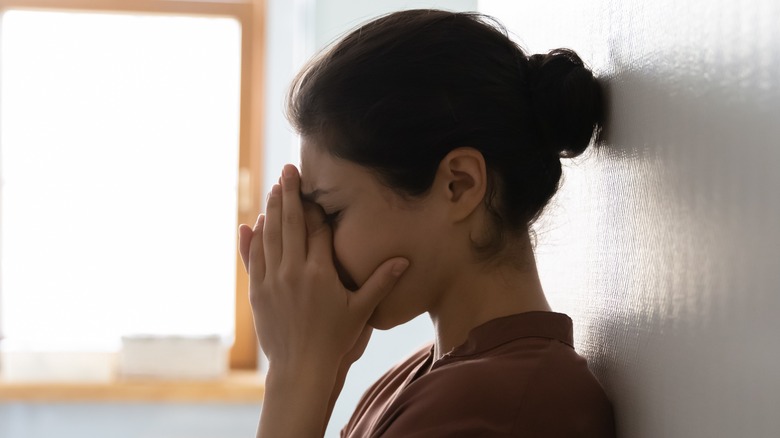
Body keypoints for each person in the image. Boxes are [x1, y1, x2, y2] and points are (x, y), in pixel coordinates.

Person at [238, 9, 615, 438]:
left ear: (459, 185)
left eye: (332, 213)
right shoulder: (421, 378)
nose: (316, 248)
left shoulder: (498, 403)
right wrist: (320, 369)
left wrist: (295, 371)